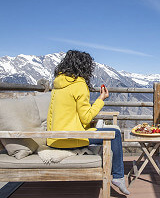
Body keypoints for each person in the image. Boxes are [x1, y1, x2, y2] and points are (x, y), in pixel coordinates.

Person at [47, 50, 130, 195]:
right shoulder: (79, 85)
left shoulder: (57, 85)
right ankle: (118, 176)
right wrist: (101, 99)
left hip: (55, 139)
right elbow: (85, 117)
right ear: (84, 67)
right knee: (115, 133)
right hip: (71, 139)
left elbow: (61, 116)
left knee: (104, 129)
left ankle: (117, 176)